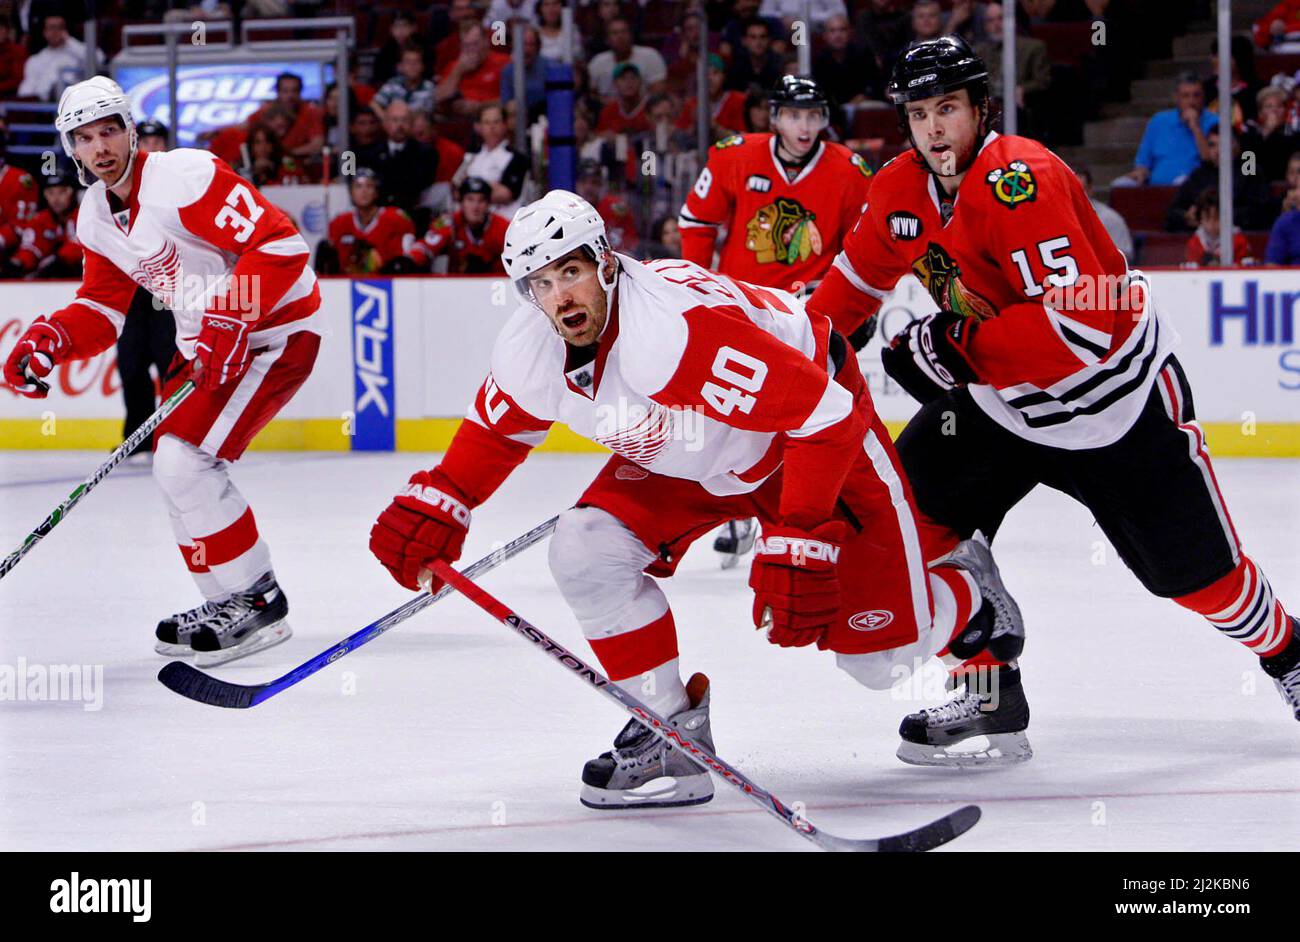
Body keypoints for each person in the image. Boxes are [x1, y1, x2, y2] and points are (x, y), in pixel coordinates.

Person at [368, 189, 1028, 809]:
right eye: (540, 284)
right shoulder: (531, 346)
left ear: (603, 261)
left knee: (880, 664)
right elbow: (499, 427)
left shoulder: (671, 336)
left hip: (805, 440)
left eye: (569, 271)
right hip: (687, 454)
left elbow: (823, 414)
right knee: (584, 548)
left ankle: (971, 600)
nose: (559, 296)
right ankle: (667, 733)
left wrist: (795, 535)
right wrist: (445, 498)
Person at [807, 37, 1300, 748]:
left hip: (1113, 409)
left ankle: (1290, 653)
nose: (934, 128)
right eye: (919, 113)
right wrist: (802, 348)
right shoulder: (898, 190)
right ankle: (989, 689)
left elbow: (1081, 331)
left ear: (981, 108)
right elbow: (851, 285)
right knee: (905, 521)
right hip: (1000, 409)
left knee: (1200, 582)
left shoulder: (1021, 181)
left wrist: (948, 348)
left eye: (948, 108)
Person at [1, 77, 323, 666]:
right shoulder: (95, 214)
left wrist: (231, 318)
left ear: (130, 128)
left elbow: (280, 247)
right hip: (207, 343)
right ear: (70, 148)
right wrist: (54, 336)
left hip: (276, 333)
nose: (99, 148)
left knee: (185, 462)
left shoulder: (183, 177)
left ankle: (259, 602)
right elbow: (102, 308)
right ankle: (228, 600)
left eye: (109, 131)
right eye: (83, 138)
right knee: (175, 472)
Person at [679, 76, 876, 565]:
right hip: (742, 309)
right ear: (775, 118)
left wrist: (855, 300)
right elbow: (696, 220)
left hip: (810, 313)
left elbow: (867, 245)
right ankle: (741, 515)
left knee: (814, 412)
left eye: (812, 115)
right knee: (735, 410)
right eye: (793, 115)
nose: (804, 126)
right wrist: (697, 285)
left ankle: (820, 507)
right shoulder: (733, 155)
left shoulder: (850, 171)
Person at [1116, 74, 1218, 187]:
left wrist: (1196, 127)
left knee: (1183, 182)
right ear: (1176, 98)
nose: (1191, 101)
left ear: (1203, 97)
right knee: (1120, 184)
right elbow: (1143, 162)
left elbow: (1210, 160)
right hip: (1156, 188)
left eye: (1196, 95)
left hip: (1194, 186)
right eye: (1186, 96)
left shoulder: (1214, 122)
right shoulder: (1158, 121)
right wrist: (1140, 171)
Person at [321, 168, 417, 275]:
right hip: (345, 285)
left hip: (389, 283)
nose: (364, 191)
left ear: (376, 192)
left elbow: (408, 258)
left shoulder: (396, 219)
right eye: (358, 186)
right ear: (351, 192)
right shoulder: (339, 222)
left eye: (369, 186)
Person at [406, 176, 508, 273]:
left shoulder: (503, 227)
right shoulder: (449, 222)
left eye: (481, 200)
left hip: (497, 285)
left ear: (488, 204)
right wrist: (410, 260)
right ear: (461, 202)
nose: (475, 207)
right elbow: (426, 246)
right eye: (470, 199)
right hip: (456, 285)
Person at [451, 103, 531, 217]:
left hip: (503, 218)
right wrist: (492, 186)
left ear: (505, 125)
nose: (492, 127)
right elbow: (456, 191)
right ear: (478, 127)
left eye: (496, 122)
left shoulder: (517, 158)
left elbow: (505, 195)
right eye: (487, 122)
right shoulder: (471, 156)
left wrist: (469, 185)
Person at [1074, 164, 1133, 259]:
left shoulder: (1110, 219)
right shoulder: (1053, 219)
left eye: (1080, 190)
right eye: (1070, 190)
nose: (1075, 196)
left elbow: (1123, 259)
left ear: (1090, 190)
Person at [1184, 188, 1253, 267]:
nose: (1212, 224)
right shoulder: (1195, 242)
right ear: (1200, 219)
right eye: (1207, 218)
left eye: (1217, 218)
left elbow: (1244, 268)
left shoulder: (1239, 241)